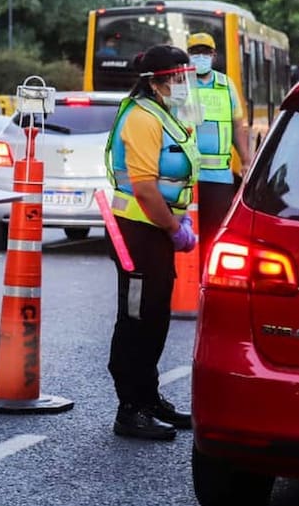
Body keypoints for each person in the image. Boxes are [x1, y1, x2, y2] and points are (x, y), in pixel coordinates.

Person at [104, 44, 199, 441]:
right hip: (137, 232)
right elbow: (143, 188)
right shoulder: (143, 119)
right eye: (180, 78)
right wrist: (175, 230)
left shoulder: (162, 113)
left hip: (154, 230)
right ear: (161, 82)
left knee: (156, 316)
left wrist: (177, 218)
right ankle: (130, 409)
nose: (185, 85)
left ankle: (149, 397)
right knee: (138, 320)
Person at [187, 32, 251, 245]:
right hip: (187, 176)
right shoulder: (181, 85)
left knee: (214, 234)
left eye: (205, 52)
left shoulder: (226, 85)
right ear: (188, 55)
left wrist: (246, 160)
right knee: (188, 234)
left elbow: (237, 126)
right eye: (196, 52)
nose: (201, 57)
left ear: (214, 55)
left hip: (219, 178)